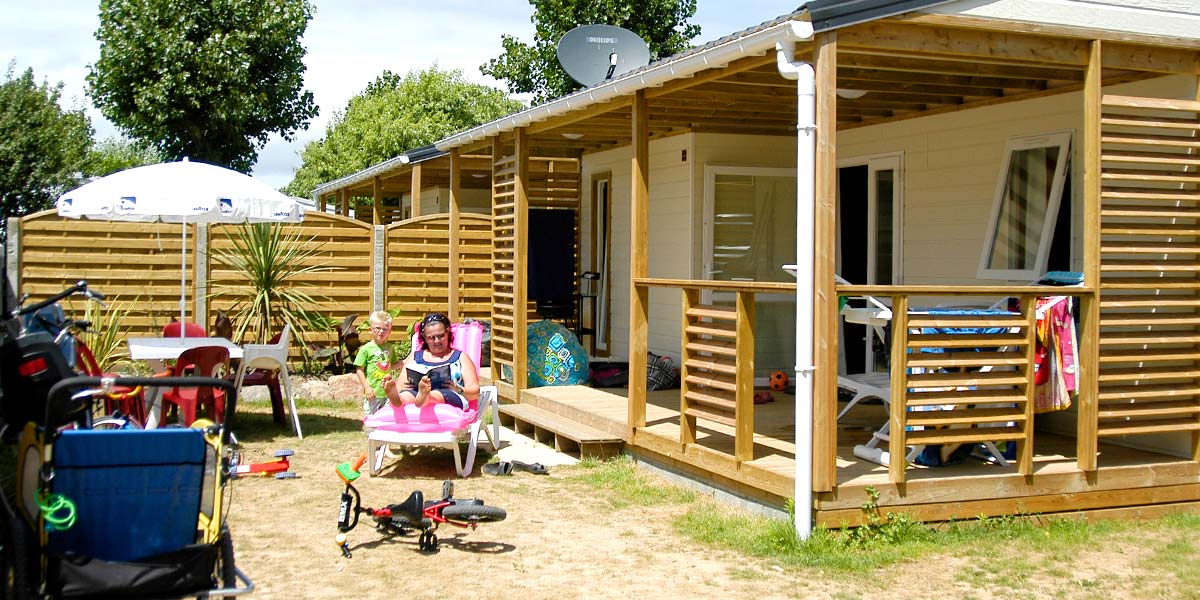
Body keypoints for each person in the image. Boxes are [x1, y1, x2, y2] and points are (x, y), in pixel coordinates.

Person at [398, 313, 479, 410]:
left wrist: (458, 389)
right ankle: (398, 399)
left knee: (437, 394)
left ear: (447, 333)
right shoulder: (414, 357)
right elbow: (400, 386)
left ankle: (427, 397)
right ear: (425, 338)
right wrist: (406, 387)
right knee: (406, 395)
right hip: (416, 394)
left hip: (451, 396)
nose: (437, 341)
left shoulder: (461, 357)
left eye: (441, 336)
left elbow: (475, 391)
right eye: (431, 338)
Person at [353, 311, 403, 415]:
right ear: (370, 329)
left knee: (386, 419)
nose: (381, 331)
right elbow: (359, 370)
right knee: (372, 420)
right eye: (377, 328)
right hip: (373, 394)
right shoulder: (365, 349)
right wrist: (367, 387)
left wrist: (406, 362)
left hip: (387, 393)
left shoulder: (390, 348)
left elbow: (391, 365)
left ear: (389, 331)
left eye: (385, 329)